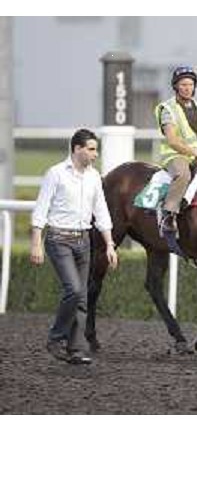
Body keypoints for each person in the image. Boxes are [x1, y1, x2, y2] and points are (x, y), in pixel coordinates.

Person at [30, 129, 118, 364]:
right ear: (77, 149)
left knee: (82, 297)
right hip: (59, 240)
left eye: (95, 149)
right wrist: (36, 243)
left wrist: (109, 244)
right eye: (91, 149)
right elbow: (41, 209)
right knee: (74, 289)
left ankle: (76, 349)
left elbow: (101, 212)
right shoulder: (55, 174)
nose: (95, 154)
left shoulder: (94, 177)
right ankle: (55, 338)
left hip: (84, 241)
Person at [155, 65, 197, 233]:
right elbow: (172, 140)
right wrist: (194, 153)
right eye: (183, 84)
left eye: (190, 85)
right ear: (176, 86)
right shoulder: (167, 109)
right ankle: (168, 215)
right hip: (176, 156)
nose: (187, 88)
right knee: (183, 174)